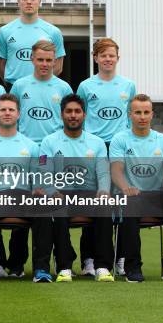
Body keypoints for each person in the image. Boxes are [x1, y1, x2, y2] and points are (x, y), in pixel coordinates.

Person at [5, 39, 72, 277]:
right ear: (32, 59)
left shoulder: (63, 88)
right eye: (40, 59)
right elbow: (12, 116)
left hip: (54, 154)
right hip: (25, 152)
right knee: (23, 204)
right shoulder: (19, 86)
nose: (45, 64)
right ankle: (15, 264)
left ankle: (56, 262)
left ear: (55, 61)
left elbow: (67, 120)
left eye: (49, 60)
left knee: (52, 208)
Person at [0, 94, 54, 283]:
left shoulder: (32, 146)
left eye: (11, 110)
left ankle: (41, 269)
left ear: (19, 114)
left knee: (44, 206)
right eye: (3, 109)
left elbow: (38, 176)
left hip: (23, 196)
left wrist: (39, 189)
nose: (7, 113)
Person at [38, 94, 115, 283]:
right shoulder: (48, 142)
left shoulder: (96, 143)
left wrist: (104, 191)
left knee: (105, 206)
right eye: (69, 111)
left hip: (88, 194)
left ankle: (102, 266)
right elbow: (44, 171)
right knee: (57, 205)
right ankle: (64, 266)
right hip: (62, 193)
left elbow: (104, 173)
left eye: (77, 111)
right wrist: (51, 191)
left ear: (84, 115)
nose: (73, 115)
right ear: (61, 115)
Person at [110, 94, 163, 283]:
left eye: (146, 112)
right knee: (130, 204)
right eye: (138, 112)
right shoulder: (119, 139)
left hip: (154, 195)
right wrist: (126, 187)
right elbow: (116, 170)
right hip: (129, 195)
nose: (142, 116)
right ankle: (133, 267)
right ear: (130, 115)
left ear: (152, 114)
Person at [76, 38, 136, 276]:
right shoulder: (85, 86)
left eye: (112, 55)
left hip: (119, 148)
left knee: (121, 204)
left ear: (117, 58)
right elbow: (80, 117)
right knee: (95, 201)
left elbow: (130, 118)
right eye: (103, 55)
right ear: (96, 58)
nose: (108, 59)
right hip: (94, 149)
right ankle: (88, 260)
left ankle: (120, 258)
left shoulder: (128, 85)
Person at [0, 0, 66, 91]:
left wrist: (42, 81)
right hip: (13, 87)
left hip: (44, 87)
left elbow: (58, 66)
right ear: (18, 2)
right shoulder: (5, 31)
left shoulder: (54, 32)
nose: (29, 2)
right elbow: (0, 64)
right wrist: (12, 85)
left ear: (39, 2)